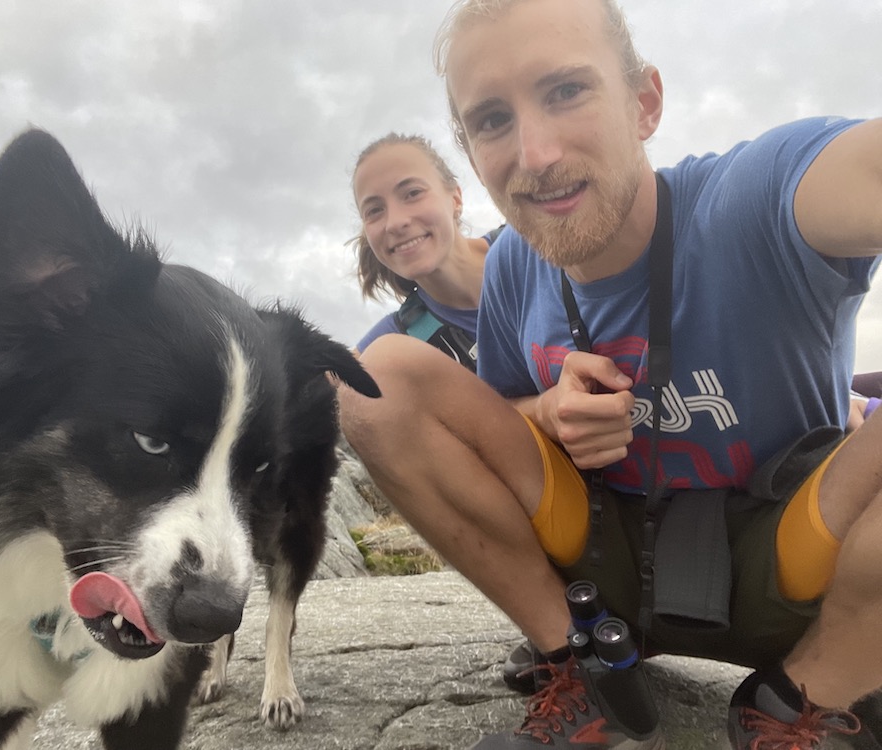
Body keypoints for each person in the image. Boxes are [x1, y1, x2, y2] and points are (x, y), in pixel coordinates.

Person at [338, 1, 882, 749]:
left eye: (566, 90)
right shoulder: (513, 273)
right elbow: (492, 428)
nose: (535, 152)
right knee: (379, 378)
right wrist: (548, 408)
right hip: (605, 568)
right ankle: (585, 666)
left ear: (645, 102)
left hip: (793, 555)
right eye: (493, 119)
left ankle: (808, 696)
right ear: (469, 148)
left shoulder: (753, 198)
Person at [351, 132, 501, 369]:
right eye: (374, 210)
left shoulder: (534, 250)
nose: (395, 223)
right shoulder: (398, 340)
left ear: (456, 199)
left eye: (412, 193)